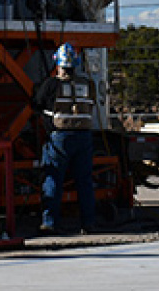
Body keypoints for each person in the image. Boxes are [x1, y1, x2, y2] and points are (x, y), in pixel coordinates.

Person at [34, 42, 97, 234]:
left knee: (53, 178)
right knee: (84, 181)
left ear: (58, 64)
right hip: (84, 136)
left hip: (60, 138)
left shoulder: (52, 84)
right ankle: (88, 223)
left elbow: (36, 103)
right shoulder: (87, 84)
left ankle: (50, 222)